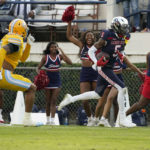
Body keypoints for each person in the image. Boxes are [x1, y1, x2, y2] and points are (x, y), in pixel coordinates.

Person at [58, 16, 138, 127]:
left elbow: (119, 51)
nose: (125, 30)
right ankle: (123, 119)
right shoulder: (107, 35)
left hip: (109, 67)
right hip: (104, 67)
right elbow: (91, 51)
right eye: (123, 27)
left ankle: (71, 99)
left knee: (97, 94)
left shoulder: (122, 38)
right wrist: (96, 62)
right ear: (116, 26)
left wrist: (120, 55)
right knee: (121, 88)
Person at [0, 18, 38, 126]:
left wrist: (29, 45)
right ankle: (27, 119)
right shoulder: (15, 38)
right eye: (25, 29)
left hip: (4, 71)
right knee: (31, 88)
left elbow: (22, 59)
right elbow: (2, 50)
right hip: (4, 72)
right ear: (21, 29)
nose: (26, 31)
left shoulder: (9, 37)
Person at [96, 55, 144, 127]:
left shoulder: (122, 56)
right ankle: (97, 119)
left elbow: (131, 66)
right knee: (102, 99)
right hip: (108, 77)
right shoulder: (109, 55)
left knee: (110, 98)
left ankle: (105, 119)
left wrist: (141, 73)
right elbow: (99, 64)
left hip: (117, 79)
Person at [66, 21, 98, 126]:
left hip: (96, 73)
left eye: (91, 36)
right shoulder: (82, 45)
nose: (89, 37)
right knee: (84, 100)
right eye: (87, 36)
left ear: (94, 38)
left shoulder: (98, 47)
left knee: (99, 98)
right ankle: (90, 119)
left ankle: (99, 119)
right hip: (85, 73)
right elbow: (69, 36)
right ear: (84, 38)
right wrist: (69, 22)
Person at [36, 41, 72, 125]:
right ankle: (48, 120)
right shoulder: (46, 57)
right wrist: (41, 75)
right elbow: (38, 68)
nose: (54, 48)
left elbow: (70, 62)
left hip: (57, 81)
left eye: (55, 47)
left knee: (54, 101)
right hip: (47, 81)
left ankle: (52, 120)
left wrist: (62, 51)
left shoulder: (60, 56)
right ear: (49, 48)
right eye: (52, 47)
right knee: (48, 101)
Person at [126, 52, 150, 116]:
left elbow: (148, 69)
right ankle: (123, 116)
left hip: (148, 79)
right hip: (149, 81)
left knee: (141, 104)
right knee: (141, 104)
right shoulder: (149, 54)